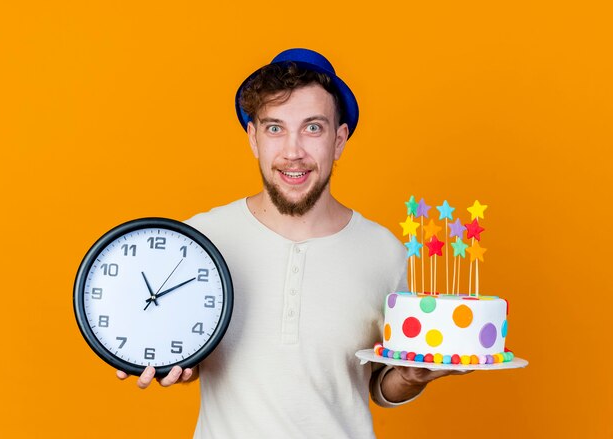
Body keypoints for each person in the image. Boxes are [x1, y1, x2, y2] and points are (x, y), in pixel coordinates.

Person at [117, 48, 469, 438]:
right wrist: (170, 361)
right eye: (275, 128)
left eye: (313, 128)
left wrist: (410, 377)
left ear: (339, 140)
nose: (293, 152)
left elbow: (380, 382)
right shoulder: (200, 239)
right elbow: (173, 335)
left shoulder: (384, 252)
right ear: (254, 139)